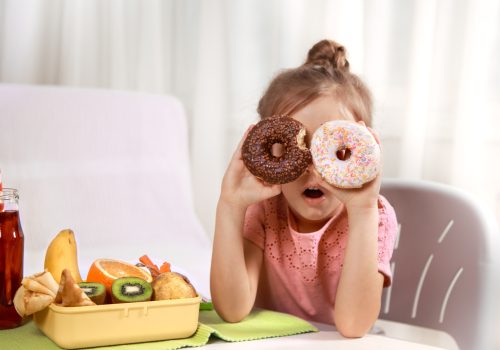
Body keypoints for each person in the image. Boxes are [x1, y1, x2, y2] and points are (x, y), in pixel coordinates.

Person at [210, 39, 397, 338]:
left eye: (335, 150)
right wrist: (230, 206)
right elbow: (232, 309)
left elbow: (353, 327)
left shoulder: (375, 216)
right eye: (293, 148)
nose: (312, 167)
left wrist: (362, 211)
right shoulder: (265, 209)